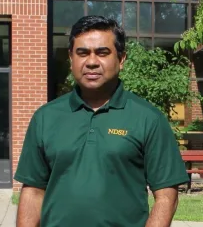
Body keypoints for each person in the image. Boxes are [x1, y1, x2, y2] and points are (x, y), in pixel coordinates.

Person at [13, 15, 190, 227]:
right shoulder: (45, 117)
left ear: (121, 59)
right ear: (71, 59)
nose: (92, 62)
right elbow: (32, 190)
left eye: (102, 53)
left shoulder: (148, 118)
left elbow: (166, 196)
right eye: (82, 53)